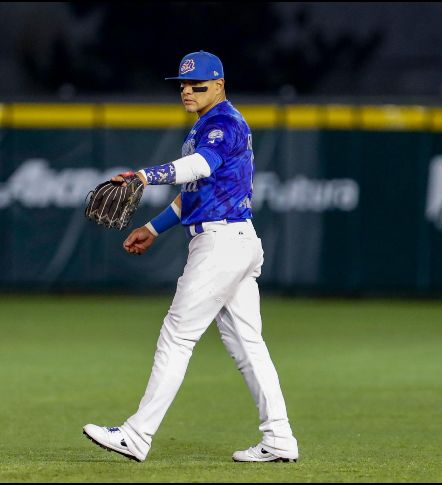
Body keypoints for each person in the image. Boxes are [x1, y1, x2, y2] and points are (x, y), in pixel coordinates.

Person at [82, 50, 299, 463]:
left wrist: (145, 176)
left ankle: (136, 435)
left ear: (219, 84)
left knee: (178, 335)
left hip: (221, 244)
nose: (187, 91)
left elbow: (200, 166)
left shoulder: (223, 123)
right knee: (249, 346)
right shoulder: (208, 124)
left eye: (197, 85)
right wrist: (152, 228)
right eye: (182, 84)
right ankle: (279, 438)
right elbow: (195, 193)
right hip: (234, 240)